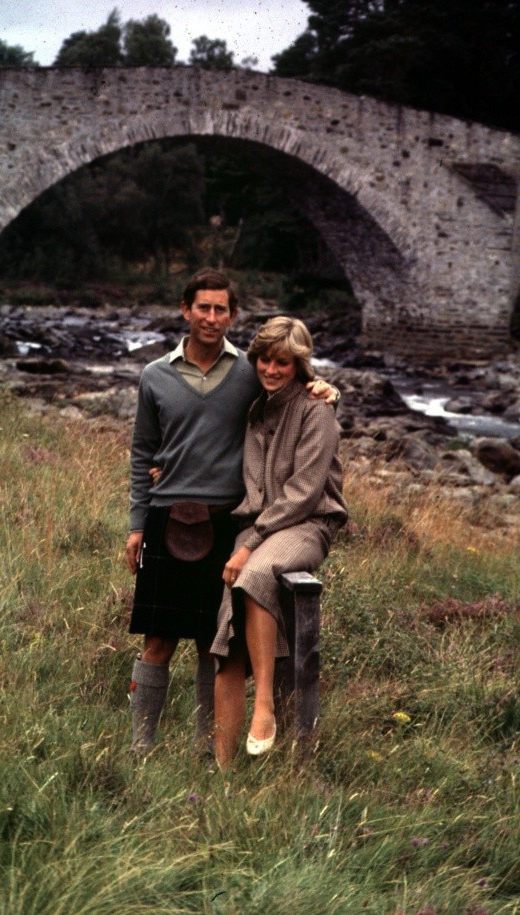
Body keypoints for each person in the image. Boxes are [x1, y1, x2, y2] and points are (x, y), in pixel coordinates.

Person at [124, 269, 338, 755]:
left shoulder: (249, 371)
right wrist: (137, 524)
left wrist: (328, 391)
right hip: (166, 515)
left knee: (212, 642)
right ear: (186, 310)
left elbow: (293, 392)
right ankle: (141, 747)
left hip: (227, 520)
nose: (212, 317)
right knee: (157, 642)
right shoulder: (155, 375)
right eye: (204, 307)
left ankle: (205, 749)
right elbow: (142, 454)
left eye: (222, 309)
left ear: (233, 315)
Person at [210, 316, 348, 769]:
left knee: (251, 574)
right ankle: (222, 768)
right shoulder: (257, 406)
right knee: (227, 628)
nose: (271, 369)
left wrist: (251, 544)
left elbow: (304, 493)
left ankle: (264, 705)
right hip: (264, 526)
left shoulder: (316, 408)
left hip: (308, 524)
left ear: (300, 365)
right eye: (265, 360)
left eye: (283, 362)